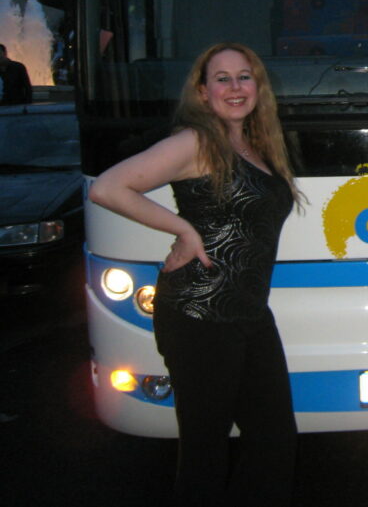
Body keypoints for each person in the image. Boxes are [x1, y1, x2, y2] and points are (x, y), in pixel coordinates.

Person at [89, 42, 304, 506]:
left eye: (244, 76)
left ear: (258, 87)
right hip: (197, 312)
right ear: (203, 93)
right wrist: (182, 228)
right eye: (221, 78)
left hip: (247, 311)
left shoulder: (256, 145)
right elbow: (108, 188)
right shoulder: (196, 141)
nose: (234, 87)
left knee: (274, 439)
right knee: (206, 452)